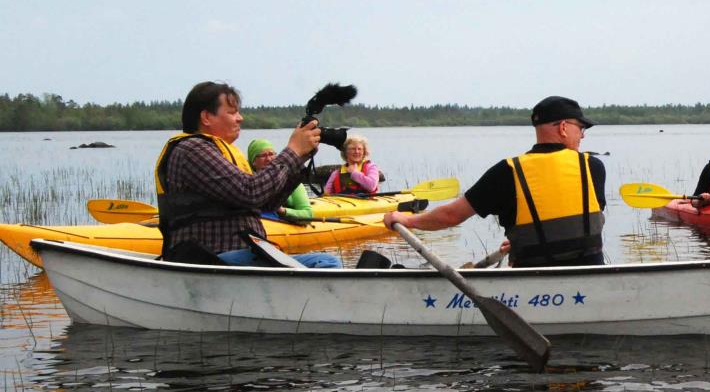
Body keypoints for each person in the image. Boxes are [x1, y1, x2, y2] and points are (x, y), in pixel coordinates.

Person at [383, 96, 606, 268]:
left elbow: (451, 216)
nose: (583, 136)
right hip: (589, 274)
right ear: (563, 127)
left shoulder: (507, 171)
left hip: (531, 273)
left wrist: (406, 220)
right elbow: (583, 223)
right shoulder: (593, 166)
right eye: (581, 128)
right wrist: (525, 241)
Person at [155, 81, 341, 267]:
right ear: (206, 117)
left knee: (323, 261)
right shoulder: (193, 149)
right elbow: (250, 192)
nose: (240, 118)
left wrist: (301, 156)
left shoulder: (220, 151)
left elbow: (266, 202)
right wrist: (292, 150)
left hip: (235, 254)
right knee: (326, 262)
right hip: (209, 257)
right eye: (232, 112)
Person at [248, 138, 314, 221]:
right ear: (253, 161)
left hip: (283, 225)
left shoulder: (291, 181)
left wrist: (283, 211)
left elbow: (308, 214)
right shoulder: (249, 184)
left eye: (271, 154)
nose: (268, 159)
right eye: (263, 155)